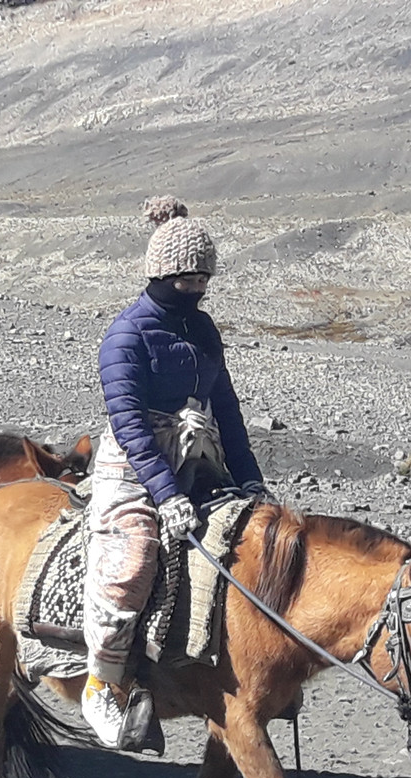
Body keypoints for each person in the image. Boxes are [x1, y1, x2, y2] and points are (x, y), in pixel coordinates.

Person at [81, 196, 273, 749]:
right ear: (160, 274)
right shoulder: (125, 337)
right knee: (134, 558)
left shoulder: (204, 329)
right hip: (135, 465)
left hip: (197, 452)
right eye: (184, 279)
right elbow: (130, 424)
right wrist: (164, 495)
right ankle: (103, 681)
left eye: (202, 279)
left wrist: (251, 479)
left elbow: (227, 409)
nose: (194, 288)